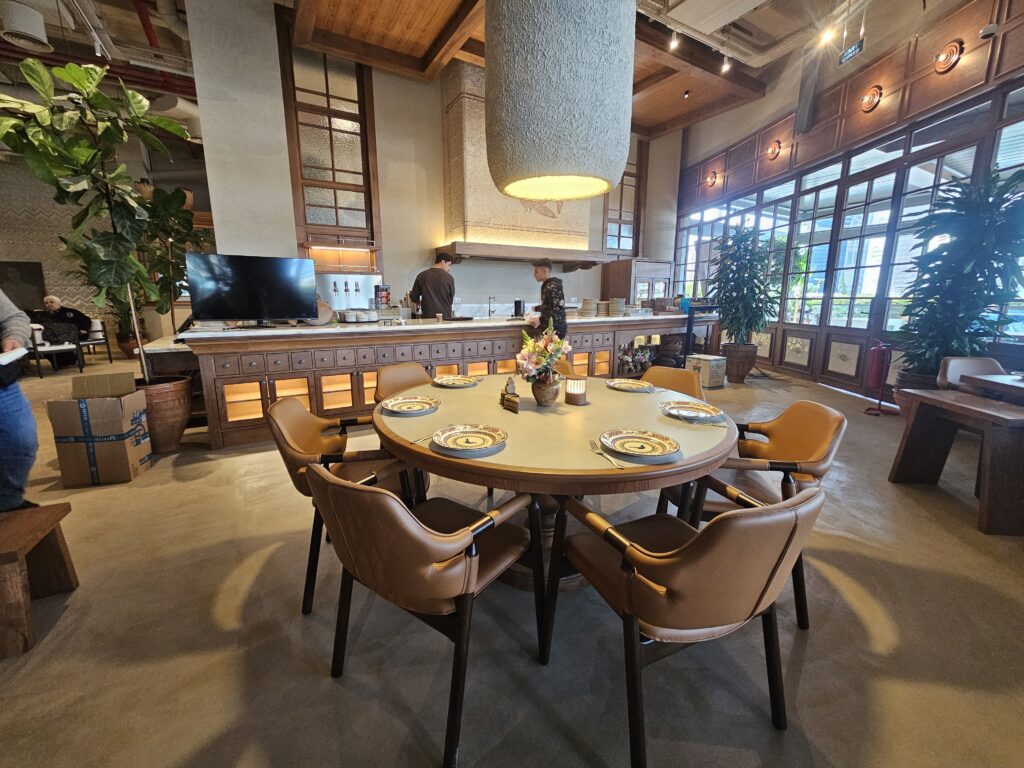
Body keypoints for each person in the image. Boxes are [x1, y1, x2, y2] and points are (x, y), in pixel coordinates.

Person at [0, 288, 38, 511]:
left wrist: (14, 337)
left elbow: (14, 317)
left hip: (2, 378)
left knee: (20, 441)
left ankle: (7, 501)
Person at [527, 259, 567, 339]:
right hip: (554, 330)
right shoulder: (550, 285)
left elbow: (556, 311)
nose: (534, 274)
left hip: (554, 332)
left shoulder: (551, 286)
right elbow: (550, 306)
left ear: (544, 271)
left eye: (536, 271)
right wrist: (537, 308)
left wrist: (540, 320)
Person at [410, 254, 455, 320]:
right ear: (442, 262)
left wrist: (420, 302)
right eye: (449, 265)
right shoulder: (449, 278)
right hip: (445, 317)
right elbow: (451, 299)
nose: (449, 268)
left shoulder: (421, 276)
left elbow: (413, 297)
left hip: (427, 316)